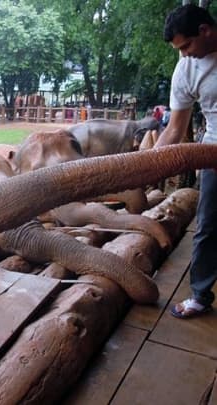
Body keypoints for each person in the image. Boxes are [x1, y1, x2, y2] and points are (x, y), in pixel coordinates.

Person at [155, 4, 217, 318]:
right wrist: (145, 165)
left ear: (205, 31)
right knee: (207, 227)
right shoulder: (186, 68)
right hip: (213, 156)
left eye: (187, 45)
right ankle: (200, 296)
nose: (185, 54)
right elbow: (175, 129)